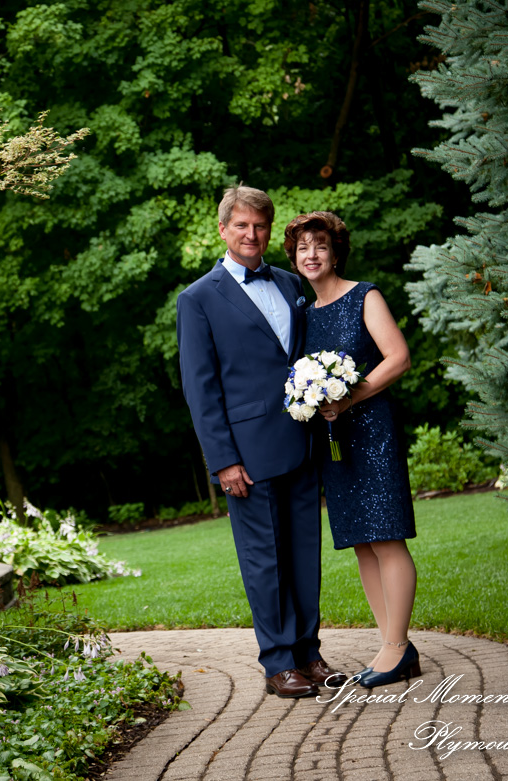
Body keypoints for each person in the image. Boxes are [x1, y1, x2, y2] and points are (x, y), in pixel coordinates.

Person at [176, 186, 347, 698]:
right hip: (247, 456)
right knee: (263, 559)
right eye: (243, 226)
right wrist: (223, 460)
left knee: (303, 554)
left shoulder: (294, 283)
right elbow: (200, 388)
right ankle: (277, 663)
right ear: (223, 229)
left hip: (301, 440)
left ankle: (309, 654)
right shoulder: (198, 298)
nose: (253, 235)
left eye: (262, 226)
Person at [284, 210, 419, 689]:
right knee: (361, 541)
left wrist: (350, 396)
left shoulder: (365, 295)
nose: (312, 255)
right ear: (295, 257)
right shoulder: (303, 314)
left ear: (335, 251)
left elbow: (398, 357)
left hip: (372, 432)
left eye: (320, 245)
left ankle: (397, 648)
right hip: (333, 440)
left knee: (386, 535)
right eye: (303, 248)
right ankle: (393, 643)